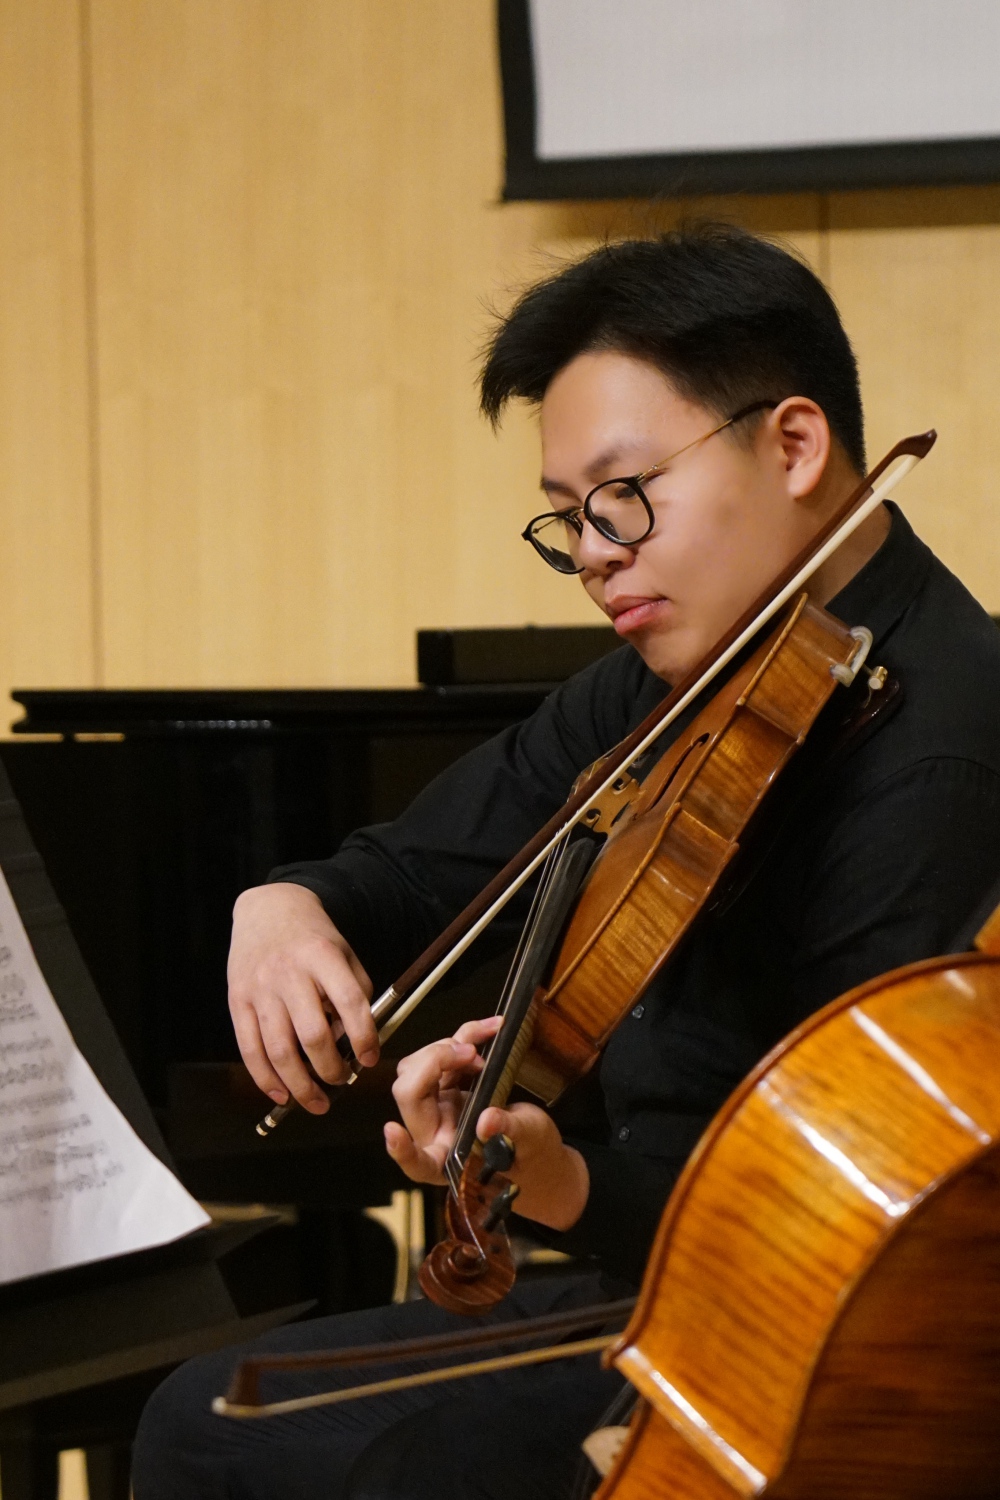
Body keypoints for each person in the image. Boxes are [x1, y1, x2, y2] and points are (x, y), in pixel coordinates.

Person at [132, 225, 1000, 1499]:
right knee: (204, 1416)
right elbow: (419, 866)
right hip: (648, 1278)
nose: (594, 552)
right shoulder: (681, 679)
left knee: (406, 1472)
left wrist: (566, 1184)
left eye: (622, 496)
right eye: (567, 519)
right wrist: (287, 903)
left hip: (816, 1346)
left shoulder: (938, 759)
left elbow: (857, 1224)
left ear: (794, 445)